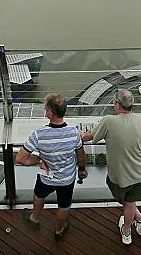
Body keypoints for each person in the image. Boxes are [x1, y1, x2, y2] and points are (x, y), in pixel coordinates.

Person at [81, 89, 141, 245]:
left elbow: (90, 137)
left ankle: (126, 231)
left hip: (119, 177)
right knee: (130, 202)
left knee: (128, 203)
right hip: (140, 174)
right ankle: (140, 219)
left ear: (117, 105)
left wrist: (78, 135)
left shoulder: (109, 121)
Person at [15, 93, 86, 239]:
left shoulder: (39, 134)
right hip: (67, 178)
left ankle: (34, 218)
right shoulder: (74, 133)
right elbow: (81, 155)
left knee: (39, 195)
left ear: (50, 113)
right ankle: (59, 230)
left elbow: (20, 159)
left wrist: (39, 160)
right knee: (64, 206)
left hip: (47, 177)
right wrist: (82, 169)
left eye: (46, 108)